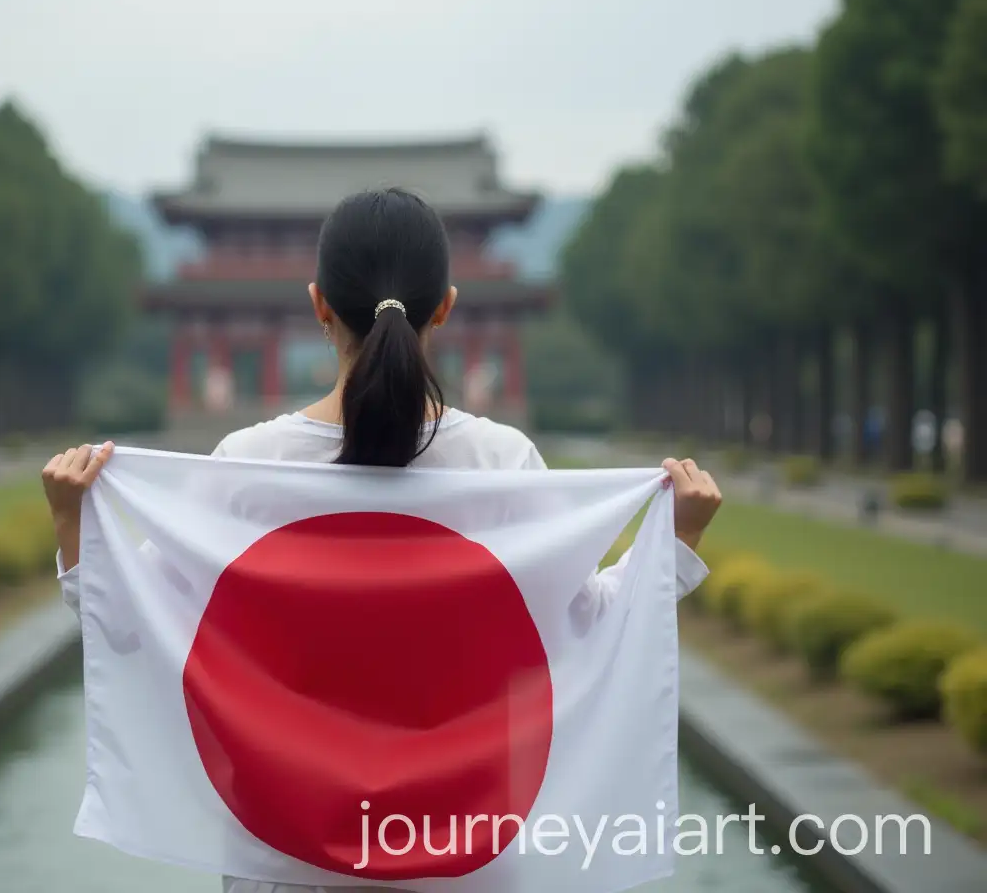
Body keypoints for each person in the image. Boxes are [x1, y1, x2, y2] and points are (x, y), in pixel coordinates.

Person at [42, 188, 722, 893]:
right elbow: (584, 631)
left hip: (288, 858)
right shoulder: (501, 462)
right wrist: (673, 543)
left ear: (318, 305)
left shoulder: (251, 461)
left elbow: (131, 624)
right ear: (447, 307)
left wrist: (73, 520)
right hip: (464, 854)